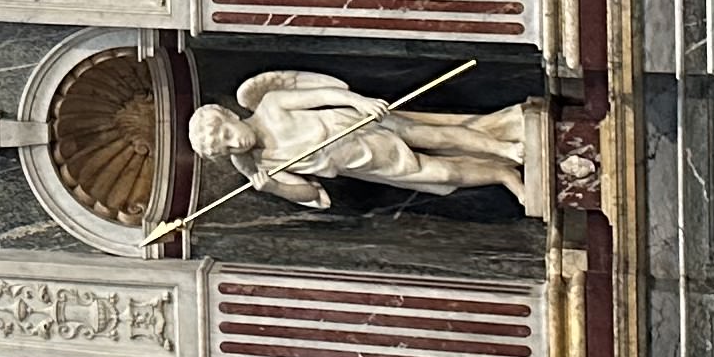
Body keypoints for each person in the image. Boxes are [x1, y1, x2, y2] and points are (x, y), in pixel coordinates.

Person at [187, 70, 545, 220]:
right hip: (364, 163)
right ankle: (505, 176)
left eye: (228, 134)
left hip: (361, 126)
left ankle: (504, 149)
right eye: (228, 149)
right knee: (443, 172)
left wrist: (359, 102)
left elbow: (324, 94)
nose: (236, 144)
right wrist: (275, 186)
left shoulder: (271, 105)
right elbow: (312, 196)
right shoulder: (257, 166)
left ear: (229, 115)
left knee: (436, 135)